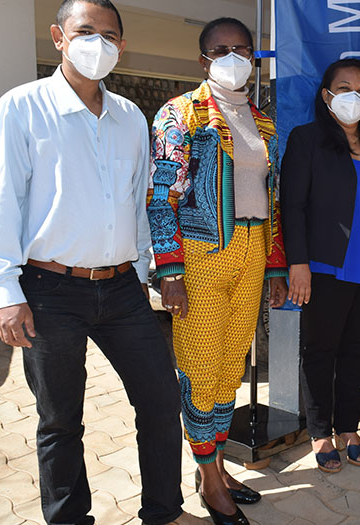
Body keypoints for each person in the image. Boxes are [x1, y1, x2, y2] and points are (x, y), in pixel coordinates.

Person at [0, 1, 205, 524]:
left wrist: (158, 271)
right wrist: (5, 294)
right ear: (58, 36)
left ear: (121, 46)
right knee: (60, 420)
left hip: (123, 288)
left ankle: (165, 512)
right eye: (85, 31)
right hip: (48, 288)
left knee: (159, 399)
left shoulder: (129, 117)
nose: (97, 43)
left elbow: (140, 204)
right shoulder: (21, 109)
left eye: (109, 35)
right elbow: (2, 203)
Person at [147, 16, 288, 525]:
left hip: (252, 250)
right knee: (202, 368)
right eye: (220, 49)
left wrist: (275, 266)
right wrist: (170, 268)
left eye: (242, 49)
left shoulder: (264, 120)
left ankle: (218, 463)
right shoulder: (179, 113)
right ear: (202, 58)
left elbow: (272, 198)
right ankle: (209, 480)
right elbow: (162, 195)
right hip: (201, 257)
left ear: (254, 57)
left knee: (232, 367)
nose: (233, 57)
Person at [280, 59, 360, 473]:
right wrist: (298, 263)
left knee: (356, 351)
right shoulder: (307, 139)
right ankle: (320, 433)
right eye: (344, 87)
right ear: (326, 95)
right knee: (321, 351)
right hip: (325, 266)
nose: (354, 96)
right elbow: (291, 206)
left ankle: (348, 428)